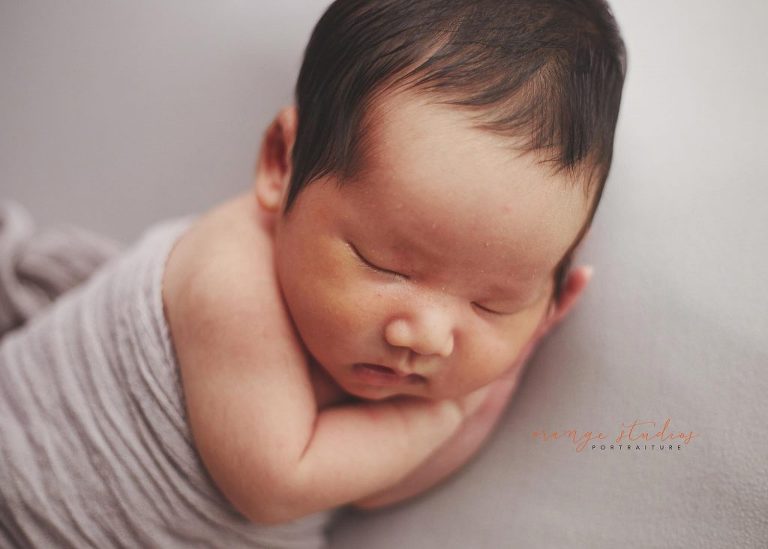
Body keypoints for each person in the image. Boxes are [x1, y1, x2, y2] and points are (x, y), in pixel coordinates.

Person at [0, 0, 626, 546]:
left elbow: (377, 486)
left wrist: (496, 380)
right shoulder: (230, 278)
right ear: (281, 162)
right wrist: (446, 413)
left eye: (494, 303)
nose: (428, 336)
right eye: (387, 265)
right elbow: (278, 484)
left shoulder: (391, 364)